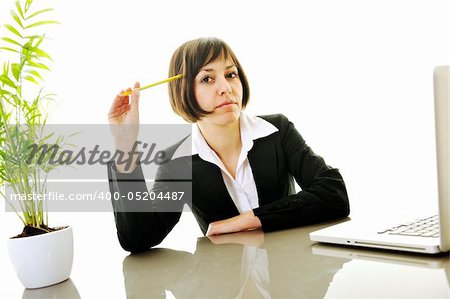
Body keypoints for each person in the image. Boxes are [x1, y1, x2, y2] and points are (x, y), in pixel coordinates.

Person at [107, 37, 350, 253]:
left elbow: (333, 193)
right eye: (207, 78)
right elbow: (138, 239)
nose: (225, 88)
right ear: (183, 91)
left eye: (231, 74)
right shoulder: (176, 163)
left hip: (289, 275)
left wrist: (248, 220)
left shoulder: (277, 131)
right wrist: (125, 145)